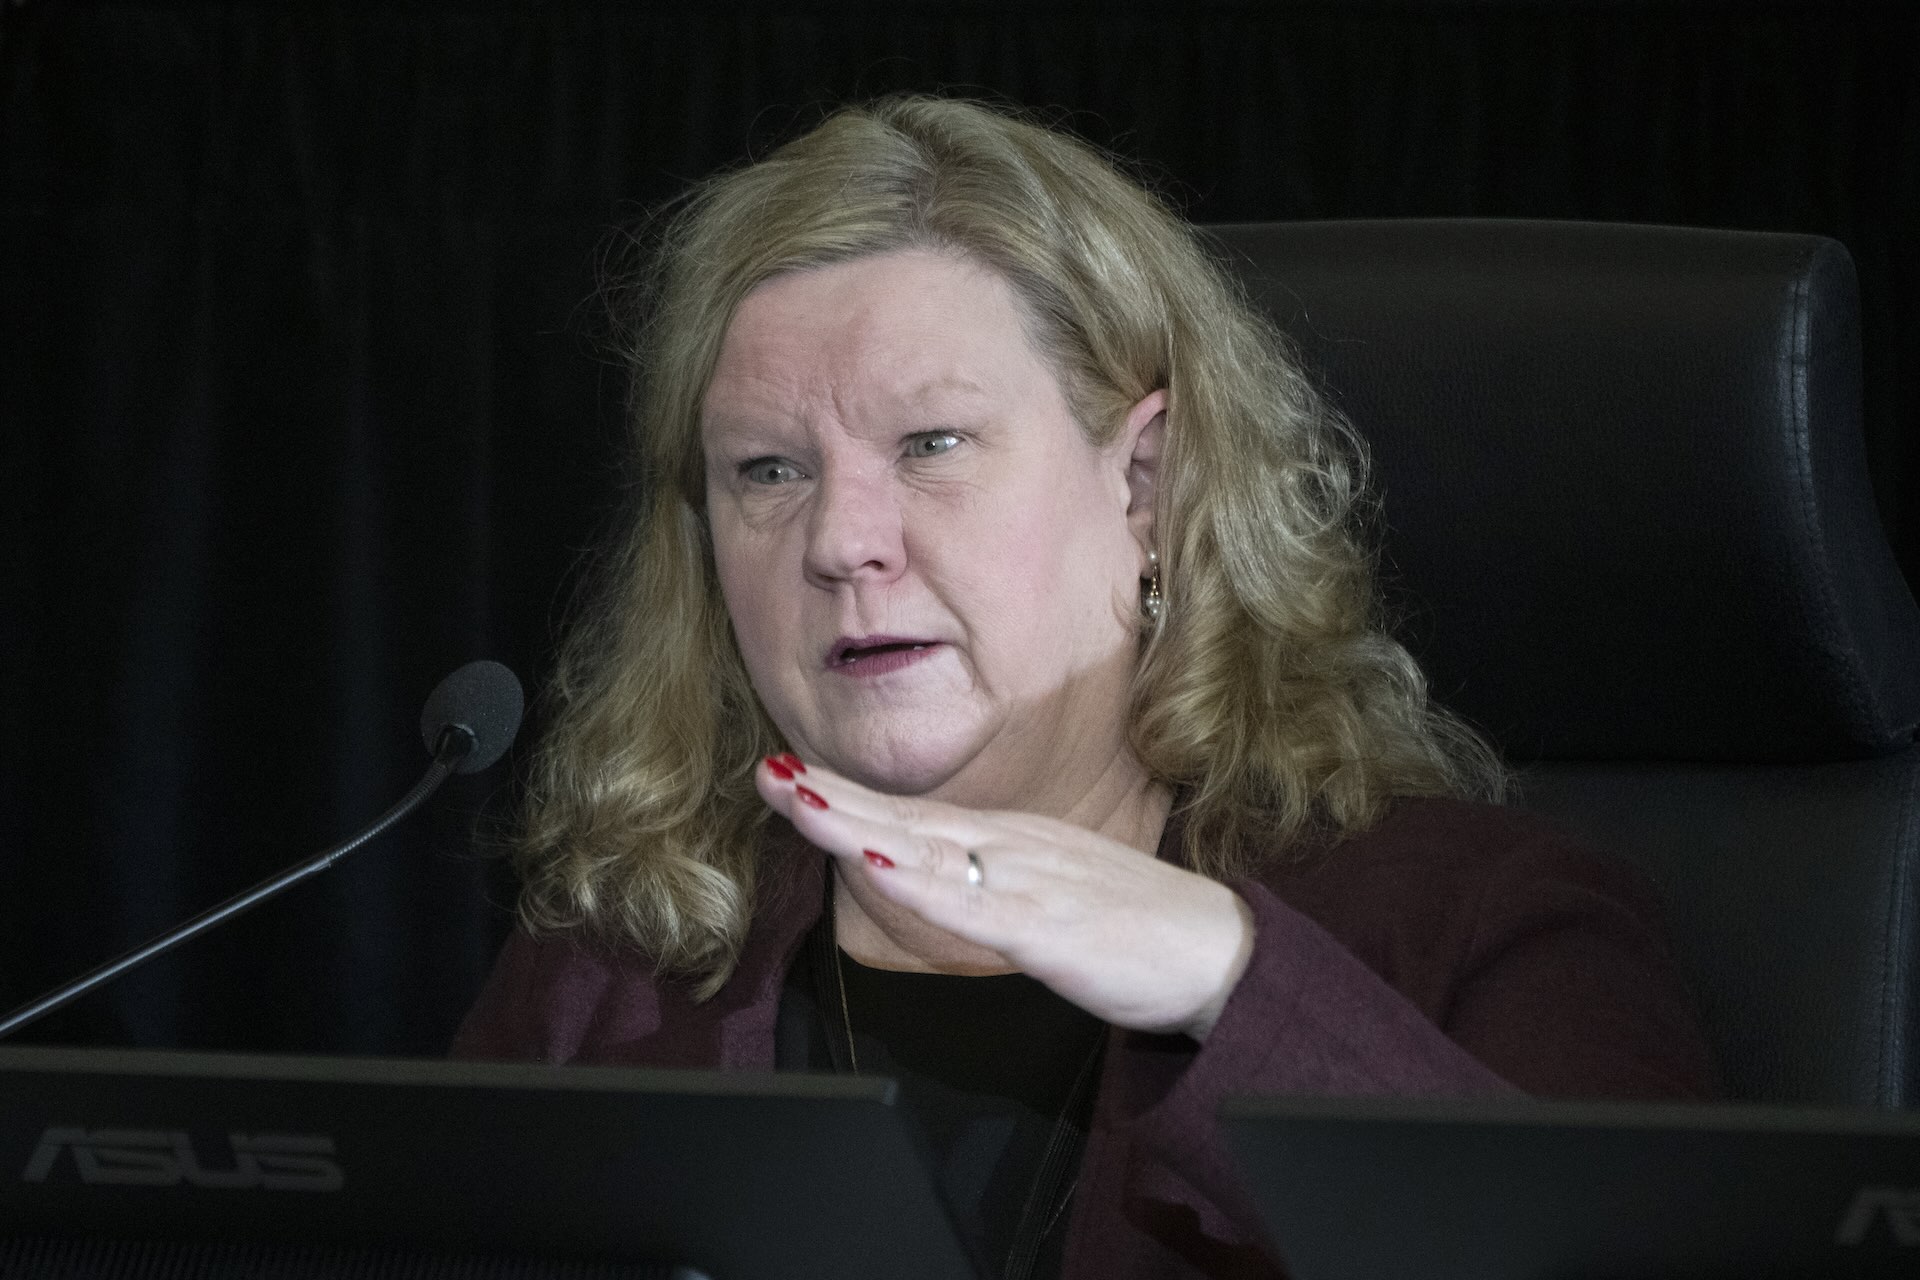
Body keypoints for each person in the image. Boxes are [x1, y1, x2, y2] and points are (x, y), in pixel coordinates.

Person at [453, 96, 1713, 1279]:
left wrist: (1234, 980)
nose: (842, 539)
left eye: (931, 444)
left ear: (1148, 485)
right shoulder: (606, 978)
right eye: (769, 471)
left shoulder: (1476, 924)